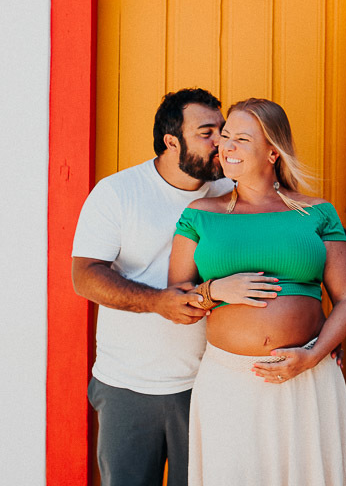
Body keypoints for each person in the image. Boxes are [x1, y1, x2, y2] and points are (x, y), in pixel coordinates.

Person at [71, 88, 279, 486]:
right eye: (207, 132)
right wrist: (156, 302)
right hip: (129, 386)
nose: (221, 142)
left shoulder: (231, 194)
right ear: (171, 141)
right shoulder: (118, 193)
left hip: (209, 383)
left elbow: (277, 255)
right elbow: (85, 275)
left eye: (223, 130)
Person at [168, 98, 346, 486]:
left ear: (273, 151)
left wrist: (311, 356)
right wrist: (215, 289)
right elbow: (175, 297)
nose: (228, 147)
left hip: (306, 377)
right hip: (229, 381)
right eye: (225, 137)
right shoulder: (200, 213)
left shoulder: (317, 213)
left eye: (241, 138)